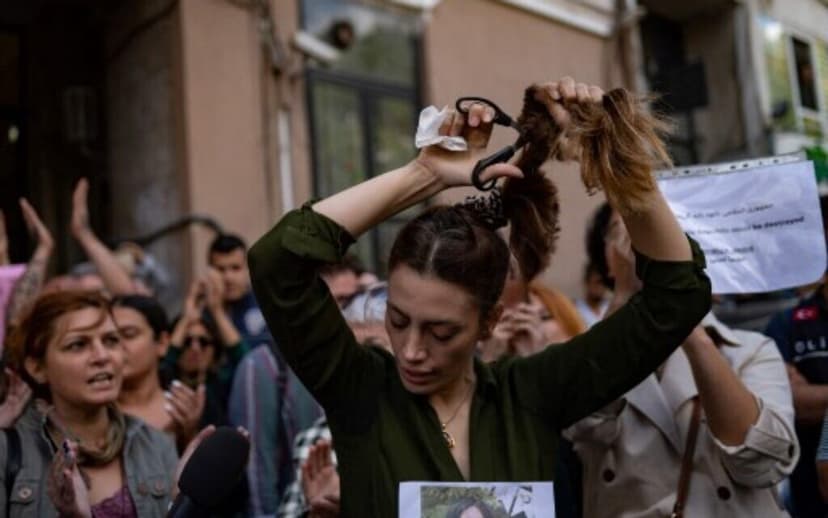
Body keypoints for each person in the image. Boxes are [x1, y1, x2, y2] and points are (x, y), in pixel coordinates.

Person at [248, 76, 711, 516]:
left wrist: (616, 156)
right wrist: (424, 175)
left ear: (489, 321)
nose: (410, 350)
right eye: (398, 319)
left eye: (441, 331)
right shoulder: (362, 391)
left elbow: (676, 297)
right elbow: (277, 262)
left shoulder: (530, 394)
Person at [566, 211, 798, 517]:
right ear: (608, 259)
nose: (642, 241)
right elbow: (584, 428)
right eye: (620, 230)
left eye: (656, 227)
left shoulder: (749, 350)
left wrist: (678, 298)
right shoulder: (583, 354)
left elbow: (761, 463)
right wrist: (625, 293)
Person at [0, 290, 179, 516]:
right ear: (37, 368)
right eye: (77, 345)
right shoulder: (9, 453)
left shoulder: (155, 445)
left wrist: (190, 505)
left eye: (111, 340)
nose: (102, 356)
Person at [764, 195, 828, 517]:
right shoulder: (786, 323)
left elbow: (806, 399)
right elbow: (790, 403)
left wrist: (817, 395)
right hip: (810, 495)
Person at [112, 295, 205, 450]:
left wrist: (188, 435)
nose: (118, 347)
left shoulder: (186, 410)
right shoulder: (94, 413)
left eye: (129, 334)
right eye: (110, 339)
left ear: (162, 343)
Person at [162, 277, 251, 427]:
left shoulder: (222, 382)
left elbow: (246, 362)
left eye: (203, 342)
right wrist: (187, 317)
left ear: (214, 350)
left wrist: (217, 311)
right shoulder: (167, 383)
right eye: (186, 341)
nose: (195, 348)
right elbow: (166, 363)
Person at [208, 233, 272, 348]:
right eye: (220, 269)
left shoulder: (266, 307)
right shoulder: (205, 312)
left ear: (248, 269)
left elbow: (253, 363)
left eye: (235, 268)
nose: (228, 277)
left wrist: (217, 312)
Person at [573, 263, 609, 328]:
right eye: (598, 282)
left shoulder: (611, 308)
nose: (601, 287)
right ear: (587, 282)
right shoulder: (575, 309)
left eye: (604, 283)